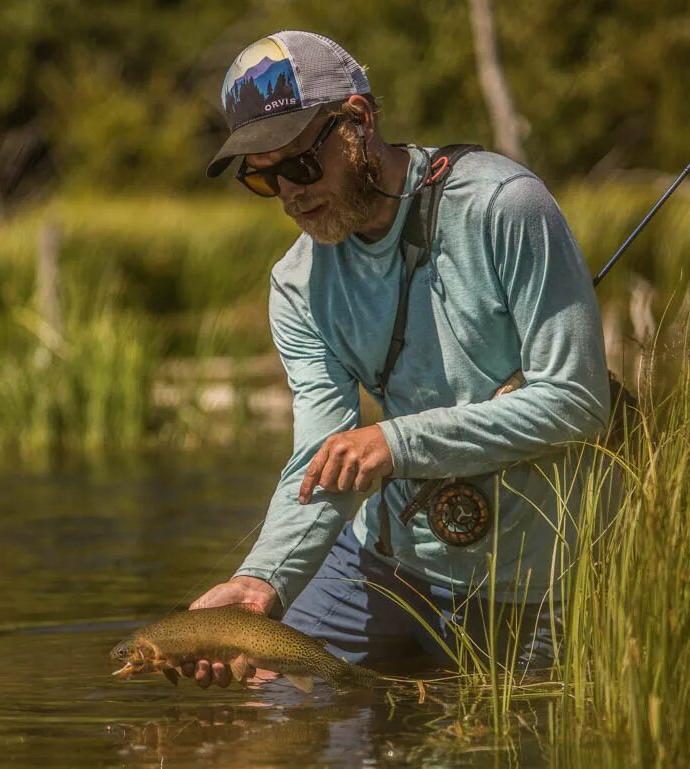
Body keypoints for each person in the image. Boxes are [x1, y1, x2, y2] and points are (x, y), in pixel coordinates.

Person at [182, 30, 611, 688]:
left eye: (299, 165)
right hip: (377, 565)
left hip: (534, 583)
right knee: (272, 724)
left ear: (359, 120)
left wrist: (395, 442)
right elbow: (320, 455)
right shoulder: (297, 286)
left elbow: (577, 401)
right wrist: (261, 579)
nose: (291, 195)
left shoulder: (504, 207)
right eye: (263, 178)